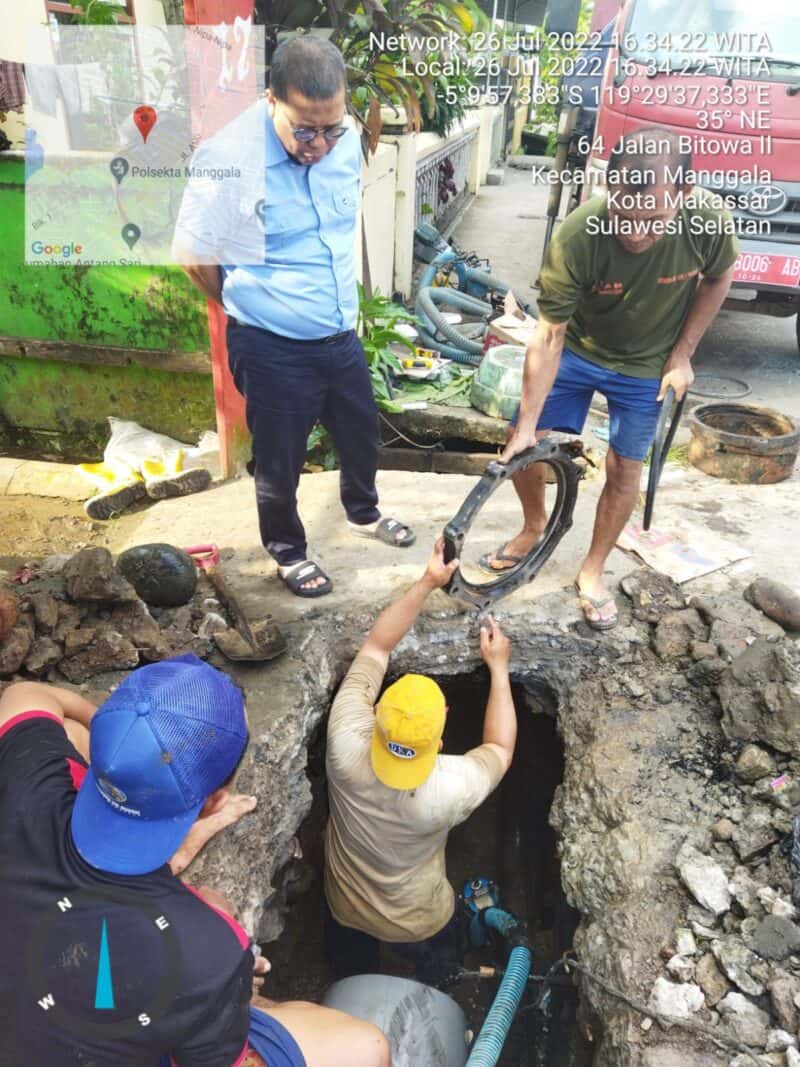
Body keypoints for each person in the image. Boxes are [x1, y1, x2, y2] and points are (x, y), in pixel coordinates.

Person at [0, 654, 389, 1067]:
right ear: (213, 802)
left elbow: (26, 693)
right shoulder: (211, 952)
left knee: (70, 731)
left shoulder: (30, 780)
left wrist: (123, 746)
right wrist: (232, 984)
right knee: (366, 1047)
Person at [174, 35, 414, 599]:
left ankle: (361, 511)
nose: (320, 145)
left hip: (338, 333)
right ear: (270, 100)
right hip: (272, 343)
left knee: (360, 435)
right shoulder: (229, 159)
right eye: (305, 130)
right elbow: (193, 254)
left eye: (331, 128)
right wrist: (248, 305)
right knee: (279, 460)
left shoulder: (346, 140)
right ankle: (288, 552)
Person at [483, 127, 739, 630]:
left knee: (626, 468)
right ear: (609, 186)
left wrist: (682, 355)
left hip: (648, 363)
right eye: (624, 214)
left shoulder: (707, 220)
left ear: (684, 195)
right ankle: (534, 526)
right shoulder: (579, 235)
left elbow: (719, 276)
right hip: (577, 350)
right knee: (527, 446)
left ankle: (593, 569)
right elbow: (549, 335)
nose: (635, 233)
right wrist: (527, 423)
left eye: (652, 219)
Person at [323, 539, 516, 988]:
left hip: (345, 907)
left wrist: (427, 581)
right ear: (442, 735)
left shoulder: (345, 740)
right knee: (438, 971)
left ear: (378, 714)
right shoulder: (451, 786)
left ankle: (350, 984)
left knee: (348, 970)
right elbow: (500, 749)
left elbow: (376, 648)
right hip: (419, 919)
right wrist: (500, 670)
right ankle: (439, 987)